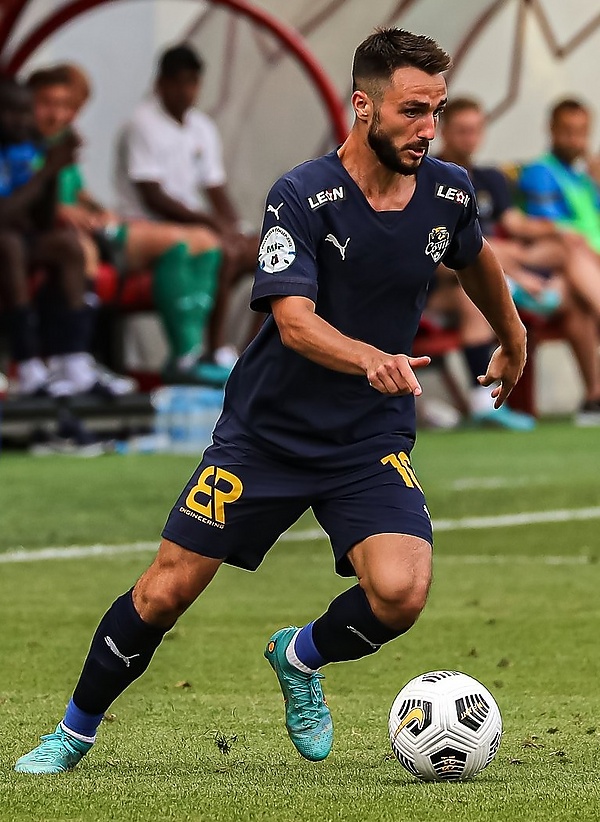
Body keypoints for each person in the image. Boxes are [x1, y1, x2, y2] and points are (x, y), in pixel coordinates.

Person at [15, 28, 527, 774]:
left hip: (366, 440)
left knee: (401, 593)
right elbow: (292, 323)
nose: (428, 128)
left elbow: (475, 258)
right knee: (163, 595)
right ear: (363, 106)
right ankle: (73, 731)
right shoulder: (302, 195)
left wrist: (512, 335)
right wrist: (370, 358)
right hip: (266, 437)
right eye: (412, 110)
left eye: (436, 111)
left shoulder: (447, 191)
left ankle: (299, 656)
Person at [27, 64, 230, 388]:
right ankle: (85, 359)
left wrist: (101, 211)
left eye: (69, 105)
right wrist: (65, 211)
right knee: (171, 245)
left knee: (205, 241)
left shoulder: (61, 143)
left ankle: (194, 354)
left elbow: (77, 192)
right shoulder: (24, 147)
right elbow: (29, 198)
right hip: (63, 236)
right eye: (49, 104)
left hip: (94, 228)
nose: (61, 114)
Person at [437, 97, 600, 427]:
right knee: (478, 258)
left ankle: (594, 398)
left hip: (506, 268)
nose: (470, 138)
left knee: (567, 270)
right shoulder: (430, 176)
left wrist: (558, 231)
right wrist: (516, 269)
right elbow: (447, 247)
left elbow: (516, 224)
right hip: (455, 276)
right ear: (444, 130)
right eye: (462, 130)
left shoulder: (490, 177)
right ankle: (484, 403)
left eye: (476, 130)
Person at [115, 44, 262, 372]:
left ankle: (252, 354)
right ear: (160, 84)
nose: (186, 91)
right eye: (178, 82)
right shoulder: (142, 124)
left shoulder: (201, 127)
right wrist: (213, 225)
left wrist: (235, 227)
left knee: (267, 255)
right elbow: (153, 196)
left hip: (195, 225)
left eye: (192, 82)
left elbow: (215, 188)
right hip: (150, 226)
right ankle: (213, 348)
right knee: (222, 252)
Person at [0, 77, 129, 398]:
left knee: (68, 246)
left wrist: (55, 167)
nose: (22, 121)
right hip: (6, 241)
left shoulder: (25, 149)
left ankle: (71, 360)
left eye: (26, 112)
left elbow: (42, 220)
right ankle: (27, 363)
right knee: (10, 245)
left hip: (17, 238)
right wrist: (46, 170)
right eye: (12, 112)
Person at [519, 98, 600, 424]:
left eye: (581, 132)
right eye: (567, 131)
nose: (575, 139)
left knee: (577, 305)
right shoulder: (539, 172)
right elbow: (552, 229)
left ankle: (594, 398)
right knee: (571, 258)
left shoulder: (582, 177)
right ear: (551, 129)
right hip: (552, 266)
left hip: (582, 275)